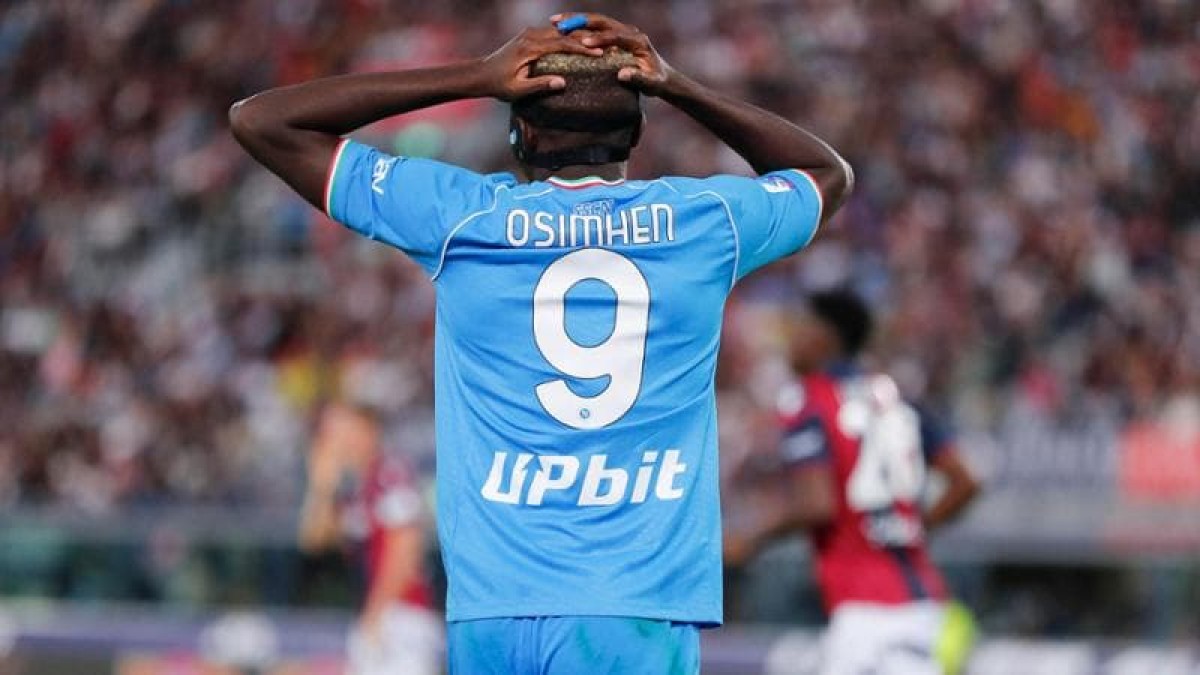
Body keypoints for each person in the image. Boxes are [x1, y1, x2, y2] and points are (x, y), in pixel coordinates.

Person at [230, 12, 852, 673]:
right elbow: (825, 173)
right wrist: (678, 86)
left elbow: (261, 121)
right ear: (637, 133)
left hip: (492, 613)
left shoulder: (462, 218)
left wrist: (477, 76)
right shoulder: (705, 223)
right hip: (634, 606)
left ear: (519, 131)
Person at [724, 289, 981, 675]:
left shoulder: (810, 399)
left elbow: (817, 503)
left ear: (825, 337)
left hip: (862, 612)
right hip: (925, 605)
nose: (791, 341)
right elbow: (965, 482)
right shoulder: (895, 396)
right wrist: (913, 526)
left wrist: (750, 539)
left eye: (801, 328)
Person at [298, 400, 440, 675]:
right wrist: (321, 487)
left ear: (368, 430)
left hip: (400, 616)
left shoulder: (390, 474)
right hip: (376, 615)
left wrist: (376, 613)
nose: (337, 440)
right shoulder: (355, 489)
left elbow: (405, 550)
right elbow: (314, 540)